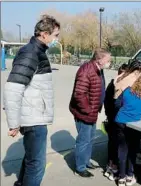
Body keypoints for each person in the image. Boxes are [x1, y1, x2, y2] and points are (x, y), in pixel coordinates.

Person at [3, 15, 60, 186]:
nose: (57, 39)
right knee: (36, 166)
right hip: (34, 120)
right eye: (55, 35)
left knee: (31, 160)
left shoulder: (36, 51)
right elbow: (13, 88)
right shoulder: (31, 53)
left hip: (35, 117)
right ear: (44, 34)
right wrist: (14, 123)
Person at [69, 48, 111, 178]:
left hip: (92, 112)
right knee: (83, 140)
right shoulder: (86, 70)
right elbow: (79, 94)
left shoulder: (99, 70)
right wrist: (88, 110)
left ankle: (86, 162)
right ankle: (80, 168)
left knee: (90, 139)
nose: (109, 62)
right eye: (108, 60)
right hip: (84, 113)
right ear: (99, 59)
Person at [114, 72, 141, 186]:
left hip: (120, 122)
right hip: (134, 126)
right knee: (132, 151)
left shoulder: (127, 90)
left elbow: (117, 104)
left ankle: (121, 177)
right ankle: (129, 176)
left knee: (122, 150)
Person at [103, 64, 129, 180]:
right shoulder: (113, 85)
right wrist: (110, 115)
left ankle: (112, 164)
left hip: (117, 119)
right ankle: (111, 165)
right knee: (114, 143)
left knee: (116, 143)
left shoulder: (122, 85)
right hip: (114, 119)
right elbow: (108, 102)